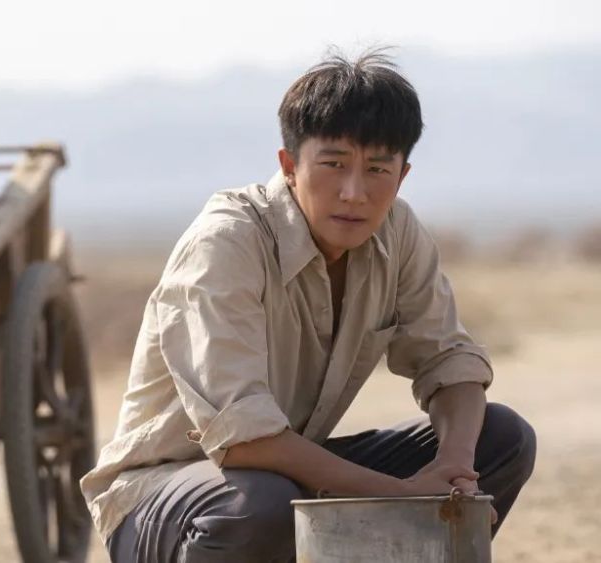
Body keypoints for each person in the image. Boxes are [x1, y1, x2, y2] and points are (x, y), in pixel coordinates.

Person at [80, 49, 536, 563]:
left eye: (377, 169)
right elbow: (244, 439)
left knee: (502, 437)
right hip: (165, 496)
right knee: (261, 505)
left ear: (402, 175)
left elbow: (449, 361)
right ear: (290, 166)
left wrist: (454, 471)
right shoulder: (227, 242)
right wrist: (403, 494)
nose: (354, 192)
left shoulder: (398, 232)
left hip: (285, 474)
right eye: (334, 164)